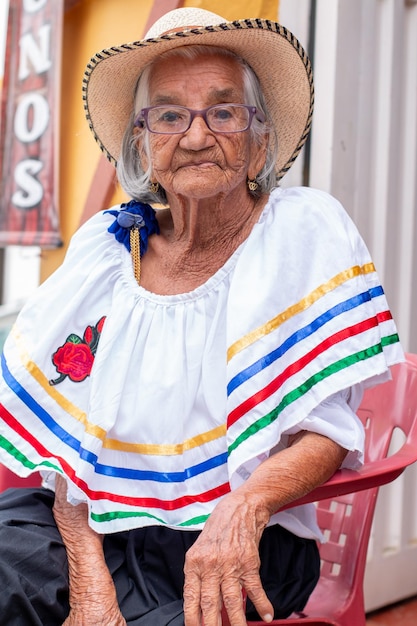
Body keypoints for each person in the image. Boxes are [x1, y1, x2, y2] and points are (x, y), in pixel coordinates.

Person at [0, 7, 403, 626]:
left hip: (241, 529)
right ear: (141, 140)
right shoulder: (108, 249)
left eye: (223, 112)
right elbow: (65, 443)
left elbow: (327, 431)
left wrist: (242, 509)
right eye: (168, 115)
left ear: (259, 137)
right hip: (90, 522)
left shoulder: (301, 233)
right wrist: (89, 575)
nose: (193, 137)